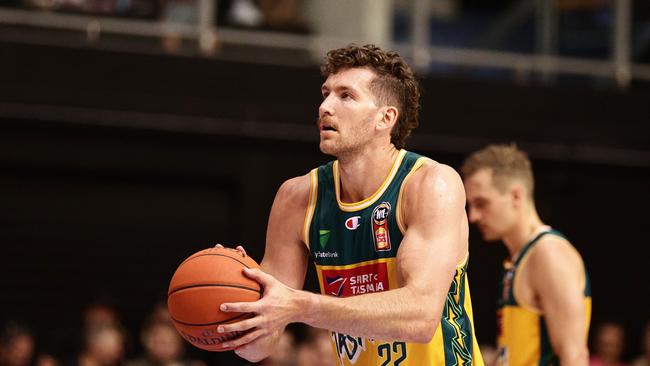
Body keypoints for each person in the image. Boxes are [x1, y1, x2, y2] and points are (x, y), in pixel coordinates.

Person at [215, 44, 484, 365]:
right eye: (325, 93)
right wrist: (235, 295)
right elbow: (260, 346)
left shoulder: (430, 184)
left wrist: (301, 306)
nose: (325, 107)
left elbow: (420, 318)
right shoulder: (297, 197)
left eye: (346, 96)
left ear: (385, 118)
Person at [461, 144, 592, 366]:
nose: (473, 216)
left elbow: (575, 356)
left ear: (516, 196)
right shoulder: (520, 258)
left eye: (481, 203)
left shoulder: (549, 253)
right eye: (470, 205)